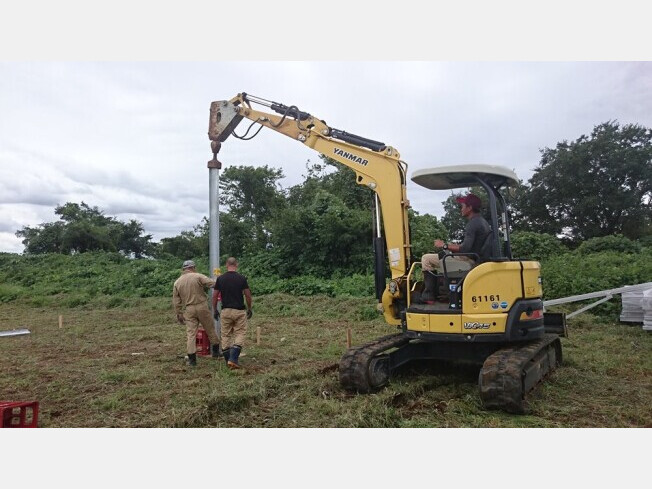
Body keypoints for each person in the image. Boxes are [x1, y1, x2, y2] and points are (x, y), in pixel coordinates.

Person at [420, 193, 491, 302]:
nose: (461, 209)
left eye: (462, 206)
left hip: (469, 259)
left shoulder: (473, 224)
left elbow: (465, 249)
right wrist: (449, 246)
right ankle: (443, 291)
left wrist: (443, 245)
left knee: (426, 259)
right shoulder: (482, 222)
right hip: (475, 258)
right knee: (444, 253)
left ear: (470, 208)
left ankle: (429, 296)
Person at [172, 260, 221, 366]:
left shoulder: (177, 282)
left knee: (191, 334)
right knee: (210, 329)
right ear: (193, 267)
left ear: (183, 269)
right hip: (202, 306)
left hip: (189, 309)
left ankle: (192, 360)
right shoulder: (198, 276)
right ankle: (216, 353)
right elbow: (213, 284)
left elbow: (176, 301)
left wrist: (179, 314)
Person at [213, 257, 252, 370]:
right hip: (239, 311)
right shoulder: (242, 278)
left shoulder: (220, 279)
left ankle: (228, 361)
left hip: (225, 311)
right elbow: (248, 295)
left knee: (225, 335)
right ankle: (233, 359)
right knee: (240, 333)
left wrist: (215, 309)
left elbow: (215, 295)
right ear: (237, 265)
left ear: (226, 265)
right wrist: (249, 308)